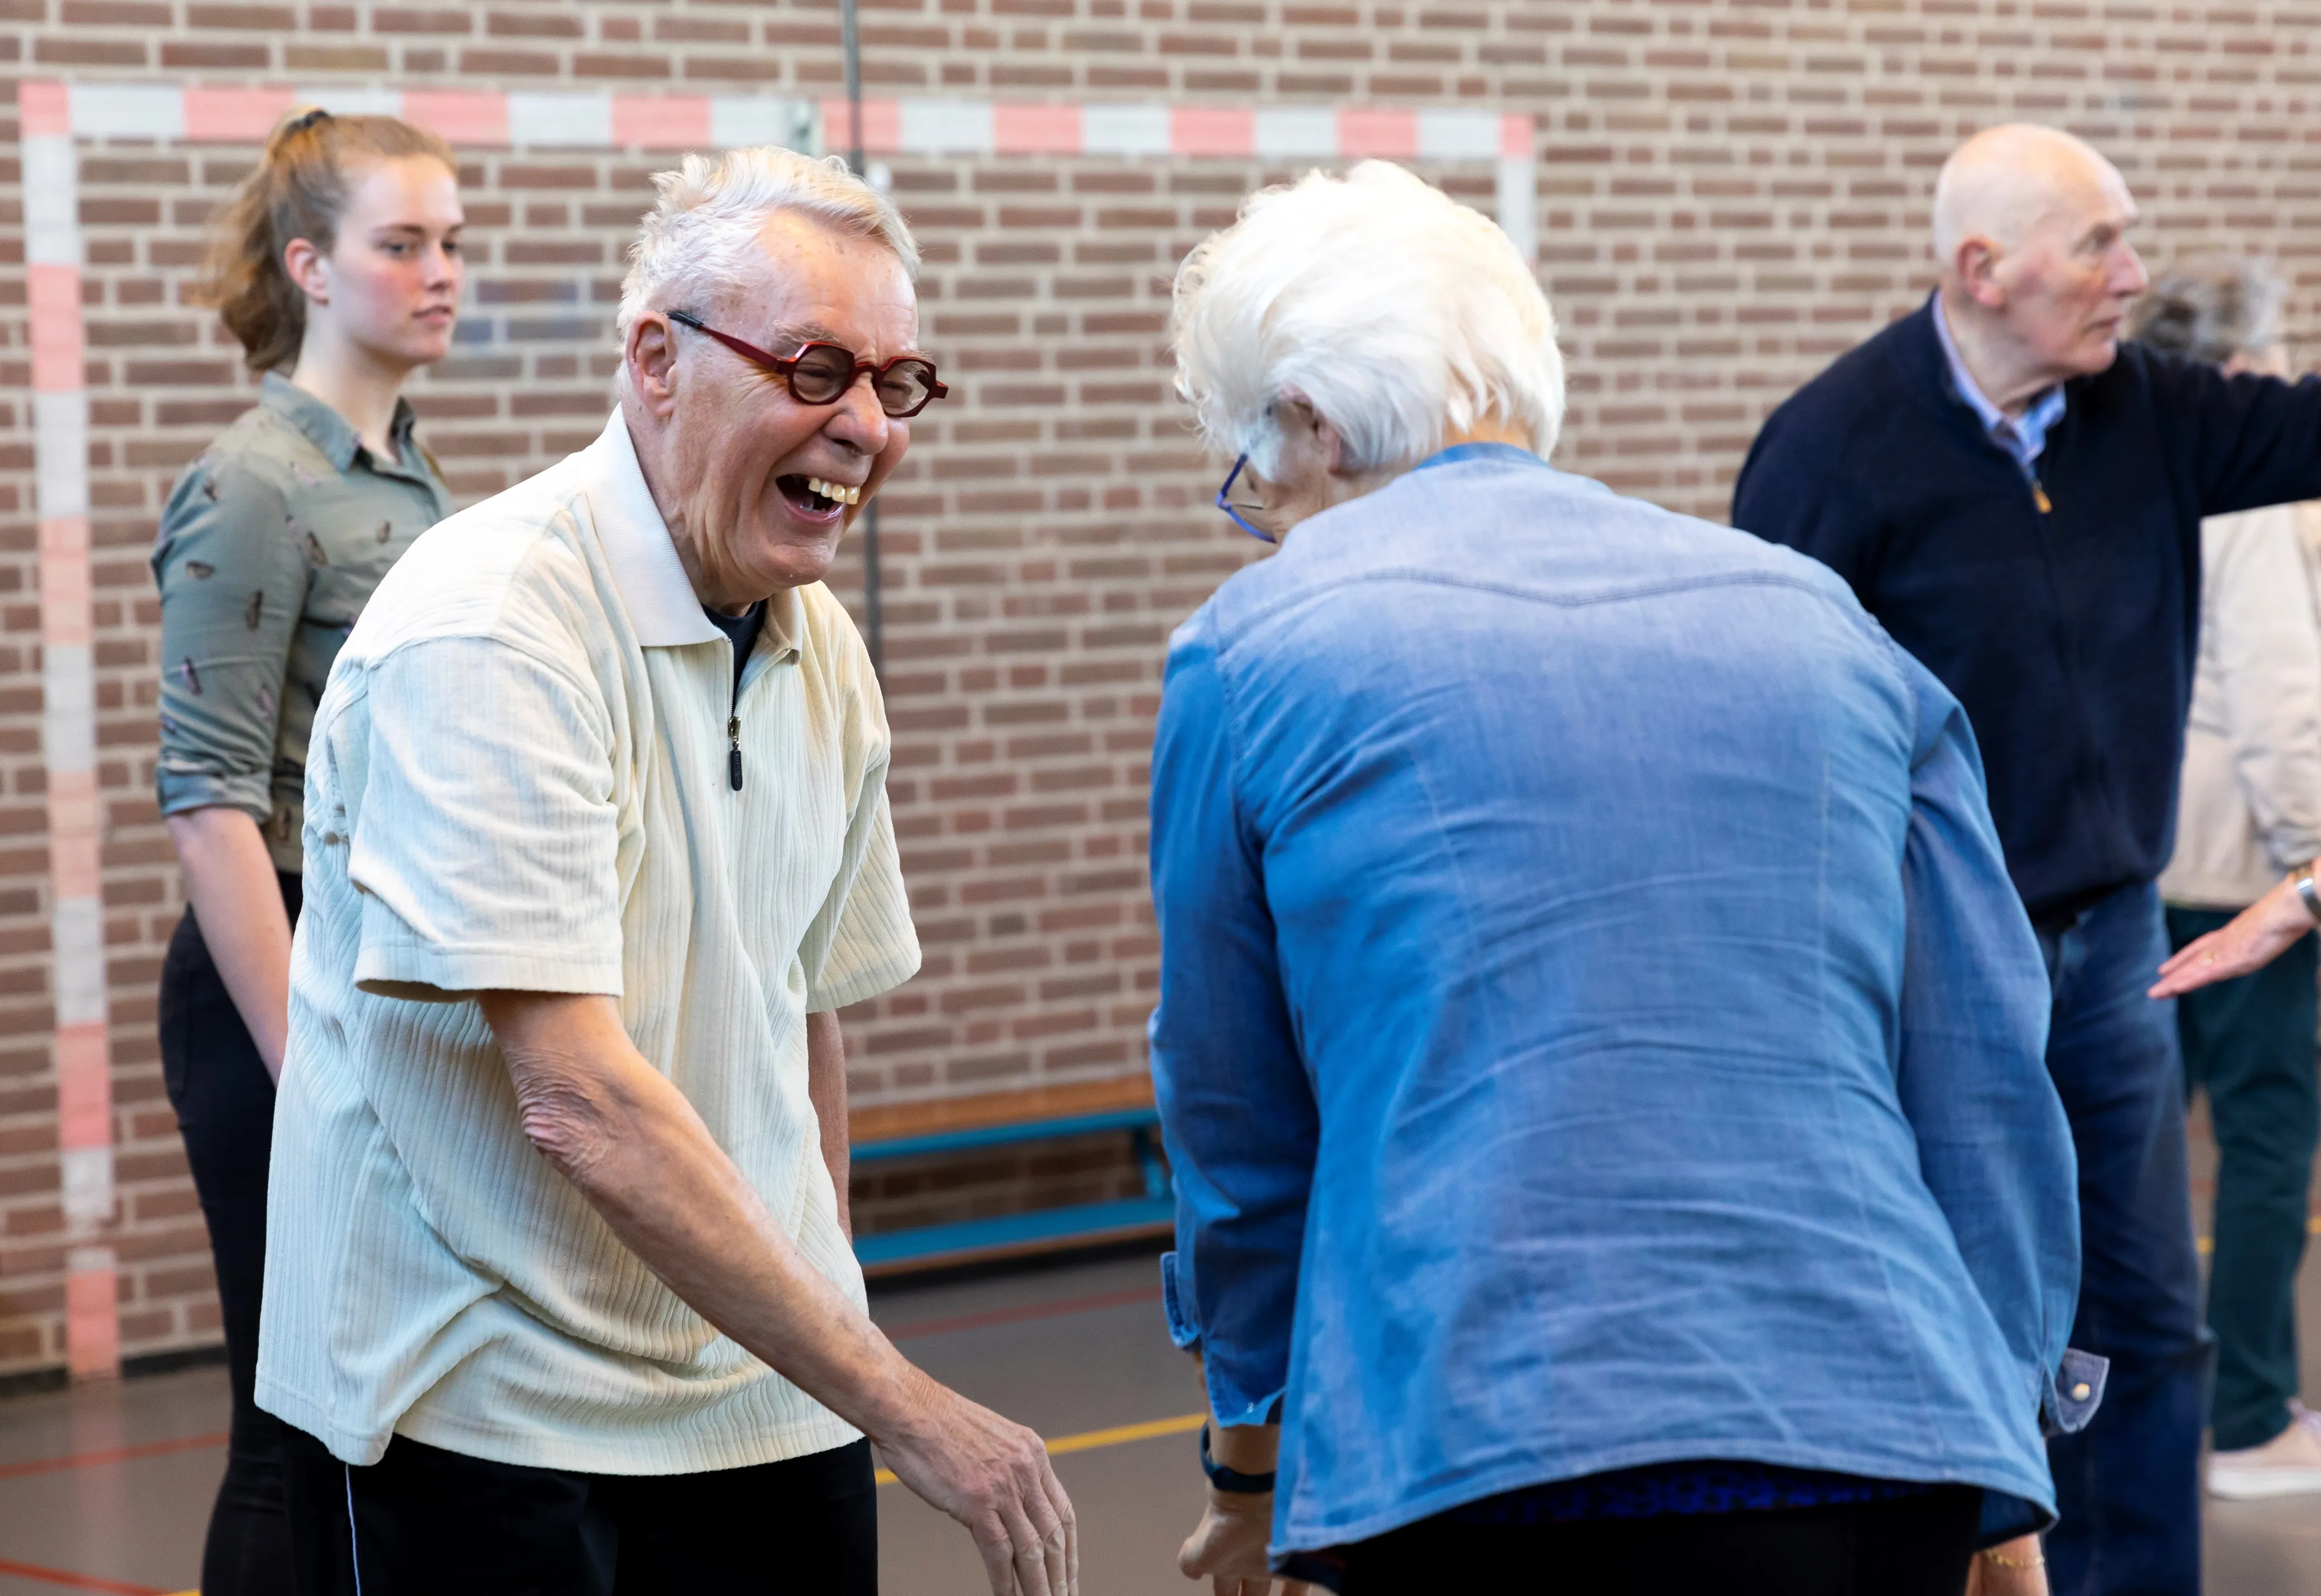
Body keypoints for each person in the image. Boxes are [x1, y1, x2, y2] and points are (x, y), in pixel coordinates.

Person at [1150, 160, 2091, 1596]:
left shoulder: (1252, 649)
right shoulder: (1817, 618)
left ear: (1313, 425)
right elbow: (1978, 1071)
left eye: (1250, 482)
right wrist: (2002, 1460)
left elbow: (1237, 1119)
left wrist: (1252, 1460)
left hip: (1480, 1448)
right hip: (1876, 1436)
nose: (1260, 522)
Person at [254, 147, 1074, 1596]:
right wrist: (905, 1399)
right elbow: (574, 1091)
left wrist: (823, 1338)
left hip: (761, 1389)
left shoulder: (821, 648)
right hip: (487, 1404)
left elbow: (800, 1018)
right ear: (656, 359)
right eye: (817, 368)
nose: (868, 426)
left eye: (898, 381)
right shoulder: (494, 625)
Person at [1733, 123, 2321, 1596]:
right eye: (2097, 247)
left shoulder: (2151, 415)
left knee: (2138, 1312)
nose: (2132, 276)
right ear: (1979, 269)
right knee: (1972, 1315)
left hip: (2114, 948)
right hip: (1930, 954)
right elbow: (1768, 726)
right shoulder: (1830, 450)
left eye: (2131, 239)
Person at [152, 106, 463, 1596]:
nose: (442, 270)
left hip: (372, 966)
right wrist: (314, 1058)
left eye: (452, 241)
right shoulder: (255, 481)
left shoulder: (410, 477)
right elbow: (210, 800)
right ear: (311, 268)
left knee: (374, 1425)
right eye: (401, 243)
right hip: (266, 974)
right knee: (287, 1427)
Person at [2130, 258, 2321, 1500]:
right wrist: (2312, 861)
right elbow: (2275, 698)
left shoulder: (2135, 459)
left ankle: (2150, 1396)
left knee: (2144, 1146)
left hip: (2154, 845)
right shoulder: (2245, 492)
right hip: (2243, 862)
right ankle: (2247, 1413)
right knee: (2263, 1139)